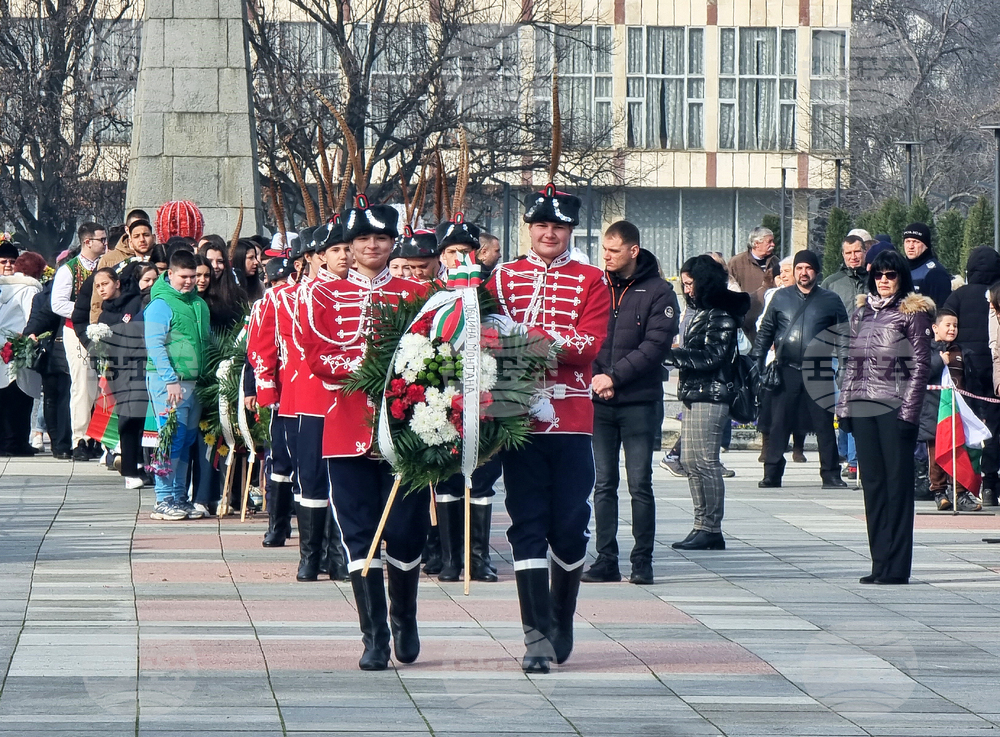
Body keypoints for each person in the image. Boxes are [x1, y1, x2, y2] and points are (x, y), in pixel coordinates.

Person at [301, 196, 431, 671]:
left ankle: (405, 616)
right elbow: (319, 358)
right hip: (346, 429)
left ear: (392, 242)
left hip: (409, 429)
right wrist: (378, 364)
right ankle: (373, 636)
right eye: (362, 239)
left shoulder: (419, 294)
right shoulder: (322, 293)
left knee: (405, 530)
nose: (371, 245)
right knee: (360, 535)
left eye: (380, 238)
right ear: (349, 245)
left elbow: (437, 357)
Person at [486, 182, 611, 673]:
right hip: (517, 418)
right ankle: (534, 634)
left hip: (572, 420)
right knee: (527, 525)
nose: (548, 233)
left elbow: (585, 346)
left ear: (570, 231)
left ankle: (563, 617)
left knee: (570, 527)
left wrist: (526, 340)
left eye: (557, 226)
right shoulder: (504, 277)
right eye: (541, 225)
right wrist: (526, 343)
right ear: (529, 229)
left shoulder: (591, 280)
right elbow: (489, 335)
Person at [583, 220, 677, 586]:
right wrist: (597, 377)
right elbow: (584, 334)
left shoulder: (658, 291)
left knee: (640, 482)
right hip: (599, 401)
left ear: (633, 251)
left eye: (613, 250)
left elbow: (655, 346)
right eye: (604, 250)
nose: (606, 256)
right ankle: (606, 559)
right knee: (603, 483)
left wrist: (614, 376)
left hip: (639, 402)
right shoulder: (594, 286)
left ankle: (642, 561)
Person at [837, 249, 934, 585]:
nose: (883, 281)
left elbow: (921, 367)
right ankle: (879, 562)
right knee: (873, 486)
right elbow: (851, 364)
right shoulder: (862, 313)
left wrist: (909, 414)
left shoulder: (912, 315)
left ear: (901, 278)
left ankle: (896, 567)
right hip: (863, 407)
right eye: (878, 274)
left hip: (894, 408)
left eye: (890, 275)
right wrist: (844, 408)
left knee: (897, 487)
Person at [431, 213, 502, 583]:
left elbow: (505, 339)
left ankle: (479, 559)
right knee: (446, 479)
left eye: (467, 250)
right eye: (452, 251)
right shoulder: (430, 294)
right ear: (441, 256)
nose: (460, 256)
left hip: (483, 398)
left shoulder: (488, 293)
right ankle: (449, 559)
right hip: (439, 398)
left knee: (483, 477)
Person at [663, 255, 748, 551]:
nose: (687, 290)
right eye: (684, 284)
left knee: (705, 462)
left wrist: (672, 355)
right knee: (690, 461)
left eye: (690, 284)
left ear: (704, 283)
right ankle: (701, 524)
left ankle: (711, 526)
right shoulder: (704, 311)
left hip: (711, 394)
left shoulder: (720, 314)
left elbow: (713, 356)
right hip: (696, 392)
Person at [753, 250, 849, 489]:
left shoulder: (831, 300)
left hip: (819, 370)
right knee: (778, 424)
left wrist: (845, 368)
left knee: (825, 425)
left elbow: (844, 337)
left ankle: (830, 474)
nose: (803, 273)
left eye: (808, 268)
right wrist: (756, 361)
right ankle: (772, 473)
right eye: (799, 268)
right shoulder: (780, 298)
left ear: (816, 271)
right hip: (787, 369)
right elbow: (765, 332)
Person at [144, 250, 211, 521]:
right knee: (170, 440)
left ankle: (179, 496)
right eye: (183, 276)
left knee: (185, 442)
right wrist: (170, 379)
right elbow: (155, 345)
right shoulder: (161, 304)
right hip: (169, 383)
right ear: (170, 274)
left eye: (193, 276)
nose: (189, 282)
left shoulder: (198, 304)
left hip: (195, 383)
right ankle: (163, 498)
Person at [247, 255, 299, 546]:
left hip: (312, 393)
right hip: (283, 393)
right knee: (280, 459)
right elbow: (256, 351)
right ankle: (278, 525)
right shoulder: (271, 302)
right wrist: (260, 390)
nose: (279, 285)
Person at [943, 245, 1000, 506]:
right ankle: (990, 485)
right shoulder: (996, 296)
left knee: (967, 427)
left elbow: (945, 330)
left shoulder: (958, 296)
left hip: (965, 372)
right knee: (995, 430)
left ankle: (965, 485)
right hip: (995, 371)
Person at [52, 222, 106, 461]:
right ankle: (80, 439)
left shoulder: (107, 266)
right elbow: (57, 304)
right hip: (77, 330)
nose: (105, 244)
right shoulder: (69, 270)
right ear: (87, 242)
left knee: (103, 385)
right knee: (83, 383)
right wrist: (88, 310)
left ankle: (98, 437)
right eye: (101, 240)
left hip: (105, 330)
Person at [919, 309, 980, 511]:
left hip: (958, 413)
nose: (952, 329)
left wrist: (978, 411)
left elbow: (971, 384)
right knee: (937, 455)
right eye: (948, 325)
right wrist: (939, 361)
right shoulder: (925, 351)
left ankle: (961, 494)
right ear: (935, 328)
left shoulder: (961, 352)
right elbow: (920, 375)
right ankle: (939, 491)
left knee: (960, 454)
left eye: (955, 325)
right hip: (934, 413)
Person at [94, 267, 148, 489]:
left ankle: (140, 465)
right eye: (97, 286)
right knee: (126, 418)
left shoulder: (135, 303)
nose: (101, 289)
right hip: (117, 369)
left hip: (138, 365)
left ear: (117, 283)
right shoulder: (103, 314)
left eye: (104, 284)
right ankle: (129, 471)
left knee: (141, 419)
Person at [822, 234, 869, 480]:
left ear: (864, 252)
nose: (853, 257)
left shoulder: (875, 280)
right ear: (843, 255)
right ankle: (846, 455)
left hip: (867, 353)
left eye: (857, 252)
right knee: (842, 406)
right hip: (836, 353)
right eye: (848, 253)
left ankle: (855, 461)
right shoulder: (832, 283)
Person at [24, 258, 73, 460]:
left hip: (72, 348)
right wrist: (30, 332)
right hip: (52, 352)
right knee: (54, 398)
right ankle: (59, 442)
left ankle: (69, 441)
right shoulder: (45, 294)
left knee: (65, 398)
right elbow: (41, 316)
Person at [0, 250, 45, 456]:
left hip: (2, 343)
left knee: (4, 397)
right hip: (18, 344)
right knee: (21, 397)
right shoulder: (30, 289)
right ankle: (17, 442)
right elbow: (31, 317)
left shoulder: (3, 286)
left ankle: (5, 442)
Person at [90, 215, 155, 323]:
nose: (142, 240)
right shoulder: (119, 266)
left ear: (154, 237)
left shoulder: (163, 258)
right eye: (137, 236)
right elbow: (98, 301)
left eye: (146, 235)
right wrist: (96, 329)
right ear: (130, 241)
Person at [728, 226, 780, 342]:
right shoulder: (736, 262)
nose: (773, 245)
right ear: (756, 243)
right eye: (769, 242)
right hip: (747, 322)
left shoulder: (775, 261)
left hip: (770, 318)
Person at [902, 222, 951, 307]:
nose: (910, 246)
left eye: (916, 242)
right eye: (907, 241)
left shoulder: (935, 273)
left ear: (926, 245)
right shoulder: (900, 268)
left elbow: (940, 309)